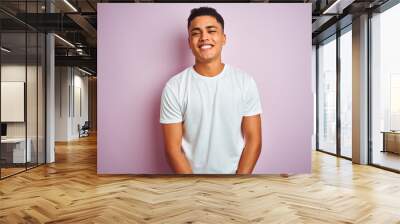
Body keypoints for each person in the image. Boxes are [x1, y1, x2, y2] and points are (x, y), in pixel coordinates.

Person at [160, 6, 262, 174]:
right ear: (189, 43)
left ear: (224, 38)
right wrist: (193, 188)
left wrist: (238, 183)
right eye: (196, 33)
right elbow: (172, 149)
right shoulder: (174, 87)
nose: (204, 37)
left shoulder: (245, 82)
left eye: (211, 31)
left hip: (234, 181)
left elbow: (254, 140)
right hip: (191, 184)